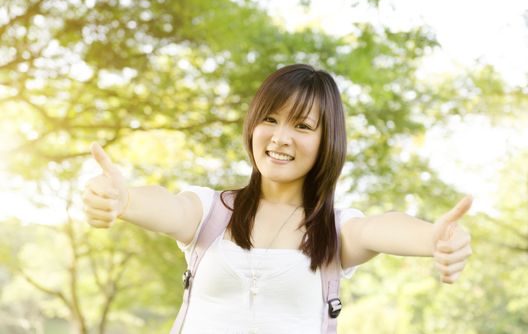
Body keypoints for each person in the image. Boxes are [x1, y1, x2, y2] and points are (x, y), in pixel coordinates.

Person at [82, 64, 473, 334]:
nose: (280, 137)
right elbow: (167, 206)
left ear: (326, 142)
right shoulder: (212, 213)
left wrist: (432, 238)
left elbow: (379, 228)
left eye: (302, 125)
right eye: (270, 119)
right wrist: (124, 199)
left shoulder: (333, 230)